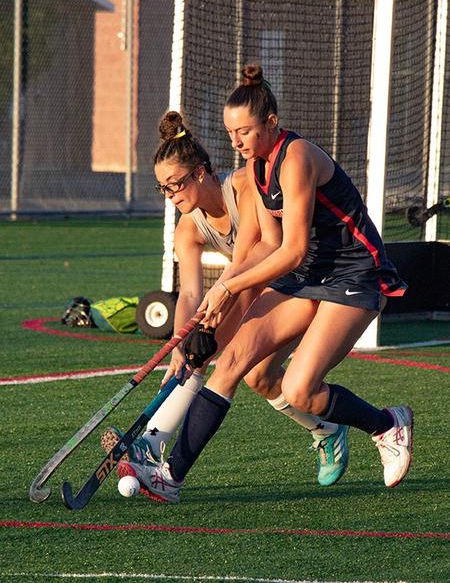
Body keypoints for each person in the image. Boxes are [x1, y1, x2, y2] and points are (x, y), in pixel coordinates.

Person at [119, 68, 414, 503]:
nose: (236, 141)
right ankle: (171, 476)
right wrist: (215, 304)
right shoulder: (256, 165)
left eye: (244, 131)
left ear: (271, 122)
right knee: (233, 362)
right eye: (230, 133)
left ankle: (387, 424)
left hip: (353, 273)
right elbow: (267, 246)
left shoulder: (296, 159)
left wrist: (227, 289)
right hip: (305, 276)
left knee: (299, 389)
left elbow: (291, 250)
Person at [103, 109, 350, 495]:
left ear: (200, 173)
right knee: (256, 377)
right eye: (163, 189)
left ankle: (153, 443)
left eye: (175, 185)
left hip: (298, 281)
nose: (170, 196)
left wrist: (214, 312)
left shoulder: (244, 187)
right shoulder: (188, 228)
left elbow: (257, 253)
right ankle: (327, 429)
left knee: (212, 355)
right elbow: (189, 293)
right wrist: (178, 344)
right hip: (251, 285)